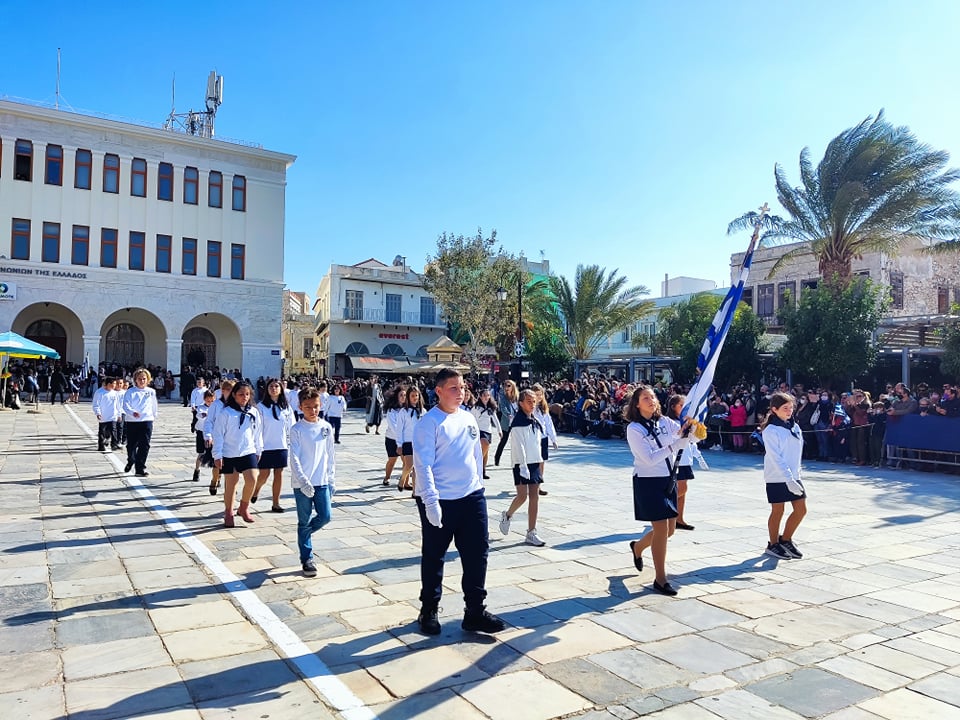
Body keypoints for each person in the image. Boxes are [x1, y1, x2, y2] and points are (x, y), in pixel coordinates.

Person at [412, 368, 505, 636]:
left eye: (462, 387)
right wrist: (431, 501)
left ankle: (475, 610)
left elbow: (475, 455)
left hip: (471, 496)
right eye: (453, 388)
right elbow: (423, 465)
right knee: (434, 555)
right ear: (439, 391)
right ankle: (429, 608)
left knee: (477, 553)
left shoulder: (468, 418)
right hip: (440, 498)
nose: (460, 392)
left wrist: (479, 485)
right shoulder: (429, 423)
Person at [625, 385, 692, 596]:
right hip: (648, 481)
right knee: (662, 529)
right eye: (645, 398)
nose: (651, 400)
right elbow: (649, 458)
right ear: (637, 404)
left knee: (669, 530)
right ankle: (660, 579)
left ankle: (638, 547)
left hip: (668, 479)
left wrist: (694, 430)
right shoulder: (634, 429)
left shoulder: (664, 421)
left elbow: (684, 434)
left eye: (653, 397)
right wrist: (674, 446)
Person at [288, 387, 336, 577]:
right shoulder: (297, 429)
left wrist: (331, 478)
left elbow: (330, 454)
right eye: (308, 407)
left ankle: (304, 534)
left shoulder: (326, 427)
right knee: (304, 519)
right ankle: (307, 558)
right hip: (302, 483)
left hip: (321, 480)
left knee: (325, 516)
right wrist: (302, 480)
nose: (312, 410)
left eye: (315, 406)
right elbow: (294, 457)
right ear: (300, 407)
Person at [761, 391, 807, 561]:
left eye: (791, 407)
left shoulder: (794, 427)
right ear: (774, 409)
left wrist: (795, 475)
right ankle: (773, 544)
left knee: (801, 510)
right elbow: (776, 457)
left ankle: (786, 539)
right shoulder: (771, 430)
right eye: (785, 408)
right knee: (778, 510)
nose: (789, 411)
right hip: (777, 476)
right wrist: (788, 478)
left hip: (794, 475)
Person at [498, 389, 546, 546]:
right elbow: (519, 447)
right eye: (529, 402)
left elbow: (537, 443)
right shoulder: (518, 423)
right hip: (521, 463)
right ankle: (507, 515)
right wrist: (523, 466)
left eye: (534, 402)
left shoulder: (534, 420)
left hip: (534, 462)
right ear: (521, 403)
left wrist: (540, 461)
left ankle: (531, 532)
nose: (532, 404)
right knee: (522, 496)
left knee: (535, 496)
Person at [212, 381, 263, 527]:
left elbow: (258, 432)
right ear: (234, 395)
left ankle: (244, 507)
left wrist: (259, 449)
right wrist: (217, 454)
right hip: (229, 453)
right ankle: (229, 512)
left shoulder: (253, 412)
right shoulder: (226, 413)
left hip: (248, 451)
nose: (244, 397)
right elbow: (218, 434)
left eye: (247, 394)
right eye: (241, 394)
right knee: (231, 484)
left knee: (252, 479)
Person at [665, 394, 706, 531]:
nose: (684, 409)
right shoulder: (669, 421)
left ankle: (679, 519)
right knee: (681, 489)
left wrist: (697, 429)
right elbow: (675, 436)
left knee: (683, 491)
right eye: (681, 405)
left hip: (685, 459)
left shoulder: (687, 421)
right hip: (676, 459)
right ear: (673, 407)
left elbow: (693, 440)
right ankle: (663, 508)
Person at [253, 379, 294, 512]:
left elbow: (292, 426)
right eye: (271, 386)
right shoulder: (261, 407)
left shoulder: (286, 407)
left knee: (279, 473)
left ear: (281, 389)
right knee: (264, 474)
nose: (274, 388)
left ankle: (276, 503)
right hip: (265, 445)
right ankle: (255, 490)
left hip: (281, 445)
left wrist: (293, 442)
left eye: (277, 386)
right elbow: (256, 428)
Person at [122, 368, 159, 477]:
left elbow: (154, 405)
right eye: (140, 379)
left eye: (144, 379)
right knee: (132, 444)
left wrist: (154, 415)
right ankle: (131, 460)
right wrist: (132, 412)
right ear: (135, 380)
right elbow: (125, 405)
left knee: (145, 445)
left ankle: (140, 468)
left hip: (146, 420)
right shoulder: (130, 391)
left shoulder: (151, 392)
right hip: (132, 421)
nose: (142, 381)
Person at [204, 378, 236, 495]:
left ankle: (231, 487)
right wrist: (208, 435)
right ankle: (214, 480)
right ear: (223, 391)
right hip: (217, 438)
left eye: (232, 389)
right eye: (227, 389)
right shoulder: (216, 404)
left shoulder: (237, 405)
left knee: (232, 466)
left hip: (232, 440)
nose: (230, 392)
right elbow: (209, 421)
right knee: (217, 464)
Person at [397, 385, 425, 492]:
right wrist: (399, 444)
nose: (414, 398)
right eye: (412, 396)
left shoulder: (423, 411)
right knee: (409, 464)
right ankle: (402, 479)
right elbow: (399, 429)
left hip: (419, 442)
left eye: (416, 396)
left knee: (417, 468)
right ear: (408, 397)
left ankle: (415, 491)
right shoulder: (403, 412)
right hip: (407, 441)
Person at [532, 384, 557, 497]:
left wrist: (553, 439)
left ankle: (538, 485)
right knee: (533, 462)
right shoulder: (529, 407)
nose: (539, 397)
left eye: (540, 394)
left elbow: (549, 423)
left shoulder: (544, 408)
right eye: (536, 394)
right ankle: (531, 483)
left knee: (542, 462)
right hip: (532, 438)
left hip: (543, 437)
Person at [470, 388, 500, 480]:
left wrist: (499, 430)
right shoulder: (476, 408)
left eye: (488, 395)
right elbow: (471, 418)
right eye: (484, 395)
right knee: (484, 445)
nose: (486, 397)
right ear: (480, 397)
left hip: (488, 431)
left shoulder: (491, 407)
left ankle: (483, 471)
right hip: (479, 430)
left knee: (486, 452)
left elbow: (495, 419)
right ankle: (476, 464)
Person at [382, 386, 406, 486]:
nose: (403, 397)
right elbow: (393, 426)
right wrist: (401, 436)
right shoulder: (391, 411)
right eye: (401, 395)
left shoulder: (407, 410)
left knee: (406, 460)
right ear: (396, 397)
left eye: (405, 395)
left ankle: (404, 480)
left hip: (405, 440)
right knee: (392, 460)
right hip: (392, 438)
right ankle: (387, 477)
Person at [493, 380, 519, 465]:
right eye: (505, 385)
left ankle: (517, 460)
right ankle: (497, 458)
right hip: (507, 422)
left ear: (513, 387)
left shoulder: (517, 397)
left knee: (517, 442)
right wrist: (508, 415)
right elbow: (503, 408)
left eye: (508, 385)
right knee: (503, 441)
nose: (506, 387)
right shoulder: (503, 396)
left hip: (516, 422)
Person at [92, 376, 122, 452]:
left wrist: (119, 414)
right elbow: (96, 404)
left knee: (113, 430)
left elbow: (118, 405)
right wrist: (98, 413)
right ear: (108, 384)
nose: (114, 385)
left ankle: (114, 445)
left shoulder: (115, 393)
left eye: (115, 384)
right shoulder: (99, 392)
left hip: (113, 415)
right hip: (103, 416)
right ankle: (101, 445)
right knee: (102, 431)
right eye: (113, 384)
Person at [192, 390, 216, 481]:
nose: (210, 403)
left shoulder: (216, 408)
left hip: (212, 433)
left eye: (212, 401)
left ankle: (216, 476)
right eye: (208, 401)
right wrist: (206, 414)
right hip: (201, 432)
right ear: (204, 399)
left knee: (214, 453)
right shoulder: (201, 408)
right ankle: (197, 470)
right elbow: (199, 416)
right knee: (201, 453)